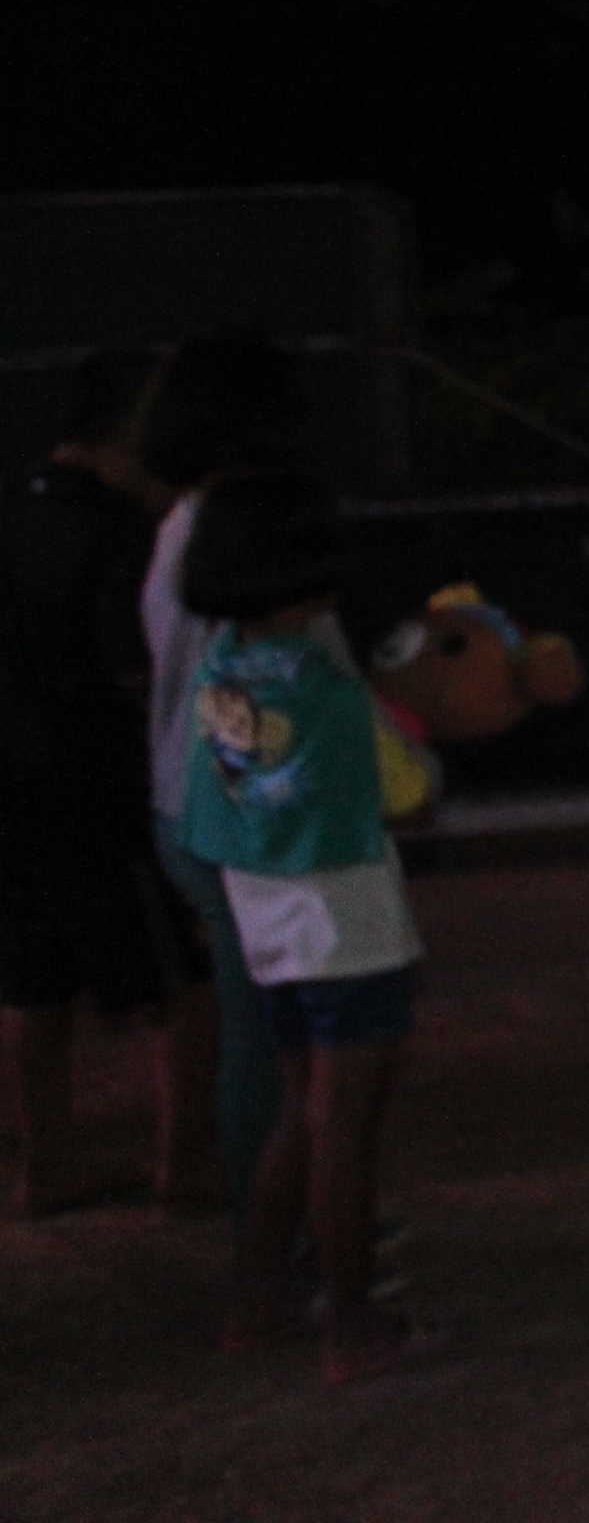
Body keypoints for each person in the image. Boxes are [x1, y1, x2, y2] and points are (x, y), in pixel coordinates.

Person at [172, 470, 428, 1383]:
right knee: (344, 1127)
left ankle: (256, 1299)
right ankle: (351, 1323)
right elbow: (405, 788)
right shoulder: (327, 690)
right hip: (349, 926)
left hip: (267, 926)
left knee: (298, 1114)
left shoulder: (218, 671)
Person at [1, 348, 210, 1215]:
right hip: (101, 786)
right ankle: (186, 1168)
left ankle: (45, 1168)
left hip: (15, 784)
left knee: (31, 983)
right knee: (181, 983)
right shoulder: (124, 531)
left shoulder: (15, 512)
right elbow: (133, 665)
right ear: (125, 432)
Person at [136, 328, 318, 1212]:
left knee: (262, 1034)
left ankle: (281, 1223)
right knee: (280, 1045)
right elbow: (247, 699)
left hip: (192, 805)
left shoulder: (181, 523)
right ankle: (278, 1231)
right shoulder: (240, 531)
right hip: (237, 814)